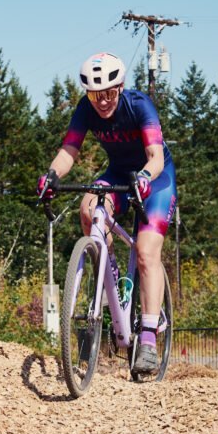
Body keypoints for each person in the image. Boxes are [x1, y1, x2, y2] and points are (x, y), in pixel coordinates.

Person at [36, 52, 177, 374]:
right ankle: (107, 266)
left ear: (120, 87)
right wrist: (51, 175)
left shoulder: (139, 105)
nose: (102, 101)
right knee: (88, 208)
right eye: (94, 95)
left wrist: (144, 177)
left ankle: (148, 340)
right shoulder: (86, 109)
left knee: (146, 252)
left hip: (156, 179)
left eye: (109, 93)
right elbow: (69, 151)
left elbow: (155, 156)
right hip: (118, 175)